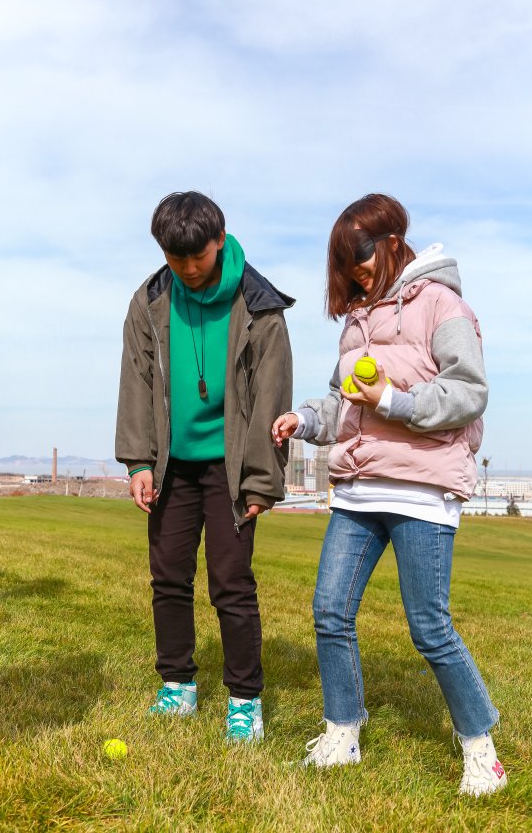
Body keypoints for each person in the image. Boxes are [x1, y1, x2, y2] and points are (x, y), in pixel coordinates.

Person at [272, 193, 507, 796]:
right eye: (344, 263)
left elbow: (468, 392)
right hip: (359, 488)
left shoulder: (443, 304)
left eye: (361, 256)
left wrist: (394, 401)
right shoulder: (357, 319)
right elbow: (342, 403)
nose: (355, 271)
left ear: (393, 241)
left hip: (422, 490)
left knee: (429, 627)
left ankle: (481, 749)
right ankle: (342, 733)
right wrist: (305, 420)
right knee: (330, 612)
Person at [115, 192, 293, 742]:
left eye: (198, 256)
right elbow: (137, 382)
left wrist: (261, 479)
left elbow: (271, 397)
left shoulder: (259, 305)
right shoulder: (148, 300)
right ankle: (177, 685)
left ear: (220, 239)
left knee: (230, 582)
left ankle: (244, 699)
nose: (189, 268)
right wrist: (139, 462)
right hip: (171, 467)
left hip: (230, 468)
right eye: (176, 257)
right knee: (168, 576)